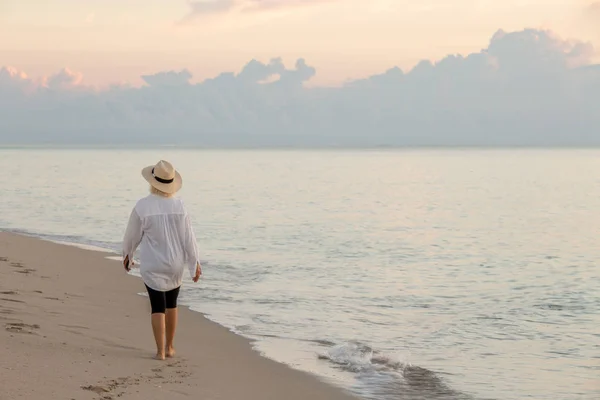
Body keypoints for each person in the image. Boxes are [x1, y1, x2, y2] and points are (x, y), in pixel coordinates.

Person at [122, 160, 202, 360]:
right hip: (175, 263)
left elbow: (132, 235)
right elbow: (189, 238)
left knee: (157, 306)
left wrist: (127, 254)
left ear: (152, 181)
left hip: (152, 264)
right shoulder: (180, 205)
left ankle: (159, 352)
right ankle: (170, 347)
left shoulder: (143, 206)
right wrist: (195, 264)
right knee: (172, 304)